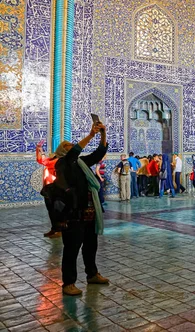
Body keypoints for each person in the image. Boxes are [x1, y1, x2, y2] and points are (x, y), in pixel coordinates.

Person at [53, 120, 109, 296]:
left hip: (89, 212)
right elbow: (74, 152)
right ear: (62, 150)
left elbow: (99, 153)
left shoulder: (81, 163)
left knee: (90, 246)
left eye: (71, 144)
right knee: (72, 249)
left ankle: (92, 274)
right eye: (68, 145)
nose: (72, 146)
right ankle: (68, 283)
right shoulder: (61, 163)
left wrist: (103, 133)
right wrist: (90, 135)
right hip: (73, 214)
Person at [36, 141, 60, 238]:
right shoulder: (53, 159)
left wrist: (41, 152)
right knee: (51, 210)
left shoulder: (58, 161)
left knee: (56, 210)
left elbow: (44, 161)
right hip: (48, 189)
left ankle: (59, 230)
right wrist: (39, 149)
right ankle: (54, 229)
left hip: (55, 189)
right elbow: (41, 160)